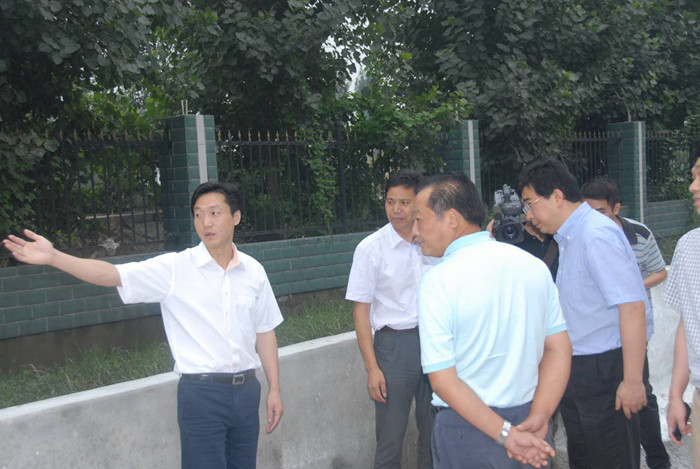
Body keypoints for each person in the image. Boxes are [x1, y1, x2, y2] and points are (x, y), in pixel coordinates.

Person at [2, 181, 283, 469]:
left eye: (214, 213)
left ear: (236, 217)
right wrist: (54, 257)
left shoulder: (253, 271)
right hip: (202, 395)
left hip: (247, 390)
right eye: (198, 214)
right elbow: (112, 274)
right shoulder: (175, 269)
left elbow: (264, 331)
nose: (206, 222)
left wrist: (274, 388)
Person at [412, 172, 572, 468]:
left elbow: (444, 381)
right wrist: (540, 416)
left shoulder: (438, 281)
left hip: (468, 431)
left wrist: (507, 436)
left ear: (451, 219)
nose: (414, 231)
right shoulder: (533, 267)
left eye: (419, 220)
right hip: (531, 427)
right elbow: (559, 349)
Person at [517, 159, 650, 468]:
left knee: (611, 459)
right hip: (577, 368)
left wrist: (632, 381)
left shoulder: (596, 234)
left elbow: (632, 307)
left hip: (604, 370)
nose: (529, 215)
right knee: (585, 459)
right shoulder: (570, 237)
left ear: (557, 196)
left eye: (530, 204)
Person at [346, 169, 435, 468]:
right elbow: (361, 311)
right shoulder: (370, 249)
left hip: (435, 341)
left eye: (405, 203)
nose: (396, 209)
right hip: (394, 348)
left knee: (434, 433)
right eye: (390, 201)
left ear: (419, 204)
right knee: (390, 438)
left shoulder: (435, 242)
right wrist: (372, 368)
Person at [583, 176, 670, 469]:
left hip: (634, 329)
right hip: (599, 336)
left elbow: (660, 271)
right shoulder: (580, 236)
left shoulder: (639, 234)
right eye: (588, 212)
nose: (595, 219)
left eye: (601, 212)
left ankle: (658, 459)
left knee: (641, 393)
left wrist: (629, 287)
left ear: (616, 208)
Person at [665, 150, 700, 465]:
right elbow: (687, 326)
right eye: (694, 176)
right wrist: (677, 395)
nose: (693, 186)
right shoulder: (688, 247)